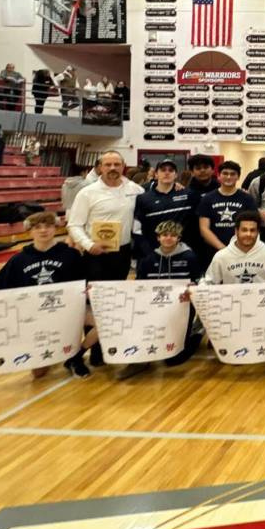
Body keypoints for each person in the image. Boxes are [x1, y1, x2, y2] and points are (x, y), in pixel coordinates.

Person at [0, 211, 94, 378]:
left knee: (101, 322)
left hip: (67, 312)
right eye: (37, 227)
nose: (43, 230)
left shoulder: (71, 254)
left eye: (48, 226)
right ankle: (50, 353)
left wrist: (88, 290)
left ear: (55, 229)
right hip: (36, 318)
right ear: (30, 231)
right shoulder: (18, 260)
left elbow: (85, 281)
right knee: (38, 374)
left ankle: (75, 357)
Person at [202, 210, 265, 376]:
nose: (248, 234)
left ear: (258, 232)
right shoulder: (222, 256)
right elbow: (209, 281)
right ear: (236, 231)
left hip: (264, 308)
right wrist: (197, 291)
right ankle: (237, 349)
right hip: (236, 310)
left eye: (253, 230)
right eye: (244, 230)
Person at [121, 220, 202, 379]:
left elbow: (199, 280)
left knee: (173, 360)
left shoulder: (189, 256)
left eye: (173, 235)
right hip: (154, 310)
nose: (169, 238)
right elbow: (139, 285)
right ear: (158, 237)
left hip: (181, 310)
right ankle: (138, 361)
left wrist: (193, 287)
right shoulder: (149, 259)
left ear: (179, 238)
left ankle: (197, 332)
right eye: (165, 235)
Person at [67, 150, 145, 282]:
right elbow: (74, 225)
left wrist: (176, 186)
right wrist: (88, 245)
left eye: (117, 164)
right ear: (100, 167)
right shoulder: (87, 193)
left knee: (118, 293)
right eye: (108, 164)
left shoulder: (136, 190)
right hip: (95, 253)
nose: (113, 168)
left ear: (123, 166)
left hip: (123, 252)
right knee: (96, 296)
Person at [197, 161, 258, 273]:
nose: (228, 177)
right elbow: (204, 229)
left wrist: (238, 248)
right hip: (214, 253)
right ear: (219, 176)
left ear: (238, 177)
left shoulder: (247, 199)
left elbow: (253, 227)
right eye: (225, 173)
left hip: (241, 252)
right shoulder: (207, 199)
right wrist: (223, 249)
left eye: (233, 174)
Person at [133, 159, 198, 261]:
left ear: (176, 175)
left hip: (182, 255)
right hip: (153, 255)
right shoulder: (143, 198)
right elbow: (137, 230)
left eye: (171, 170)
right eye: (163, 170)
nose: (167, 172)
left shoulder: (188, 195)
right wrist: (149, 252)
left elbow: (195, 226)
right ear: (156, 174)